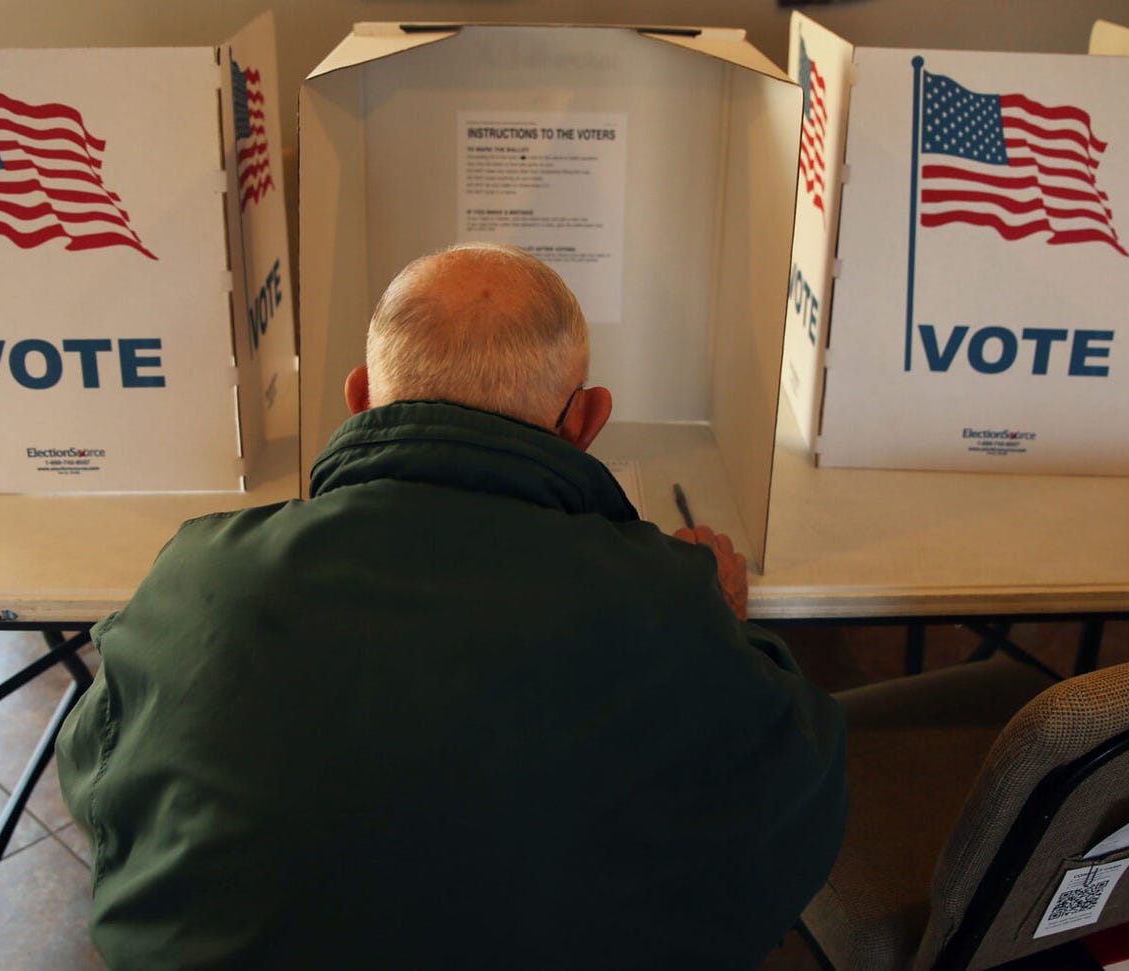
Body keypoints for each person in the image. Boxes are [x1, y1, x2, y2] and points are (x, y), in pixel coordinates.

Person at [56, 242, 847, 969]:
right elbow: (796, 798)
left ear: (360, 399)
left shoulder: (201, 573)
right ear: (586, 420)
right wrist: (724, 628)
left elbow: (96, 773)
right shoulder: (667, 599)